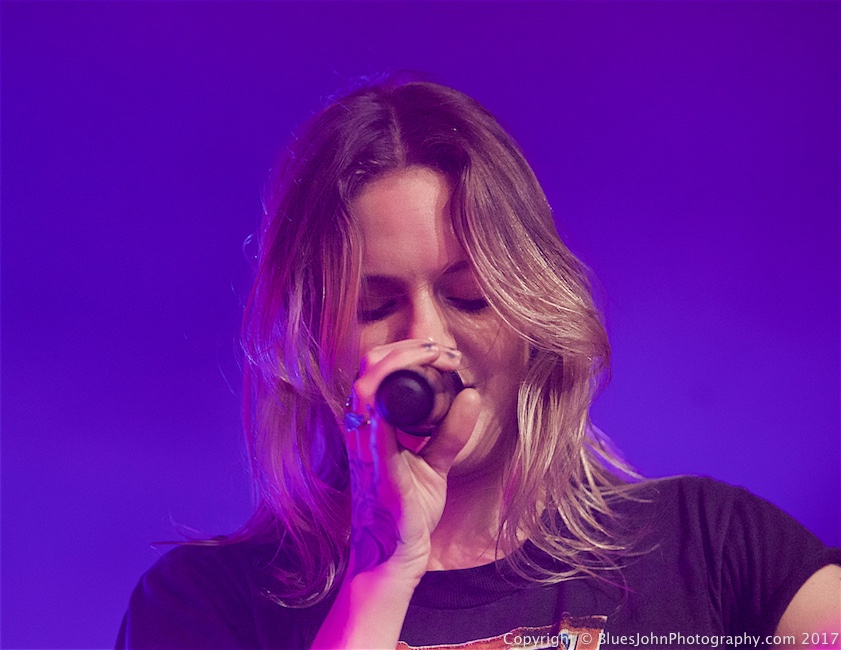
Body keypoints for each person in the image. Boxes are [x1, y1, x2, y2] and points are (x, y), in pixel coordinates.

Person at [117, 78, 840, 650]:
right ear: (312, 342)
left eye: (468, 297)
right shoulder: (206, 605)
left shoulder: (711, 547)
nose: (429, 338)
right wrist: (382, 566)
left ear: (532, 311)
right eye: (375, 307)